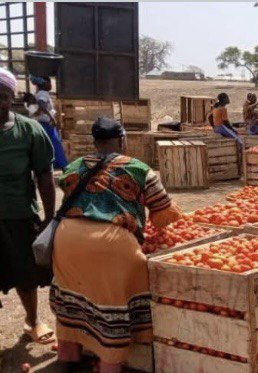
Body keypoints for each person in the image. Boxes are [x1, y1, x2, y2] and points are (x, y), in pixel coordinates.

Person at [50, 117, 182, 373]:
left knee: (72, 297)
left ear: (95, 142)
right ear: (122, 140)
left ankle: (67, 357)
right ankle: (109, 364)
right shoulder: (139, 169)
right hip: (111, 244)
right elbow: (163, 214)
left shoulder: (74, 166)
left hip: (66, 239)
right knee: (114, 305)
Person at [0, 67, 56, 347]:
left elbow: (44, 175)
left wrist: (49, 217)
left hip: (19, 215)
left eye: (2, 96)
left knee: (26, 273)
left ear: (12, 98)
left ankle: (32, 321)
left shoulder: (29, 130)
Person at [28, 76, 68, 169]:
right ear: (44, 84)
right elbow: (42, 104)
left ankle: (52, 165)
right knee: (55, 144)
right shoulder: (43, 93)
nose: (50, 84)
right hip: (46, 125)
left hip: (43, 124)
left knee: (48, 146)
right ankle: (63, 166)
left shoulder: (39, 93)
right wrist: (52, 118)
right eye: (49, 82)